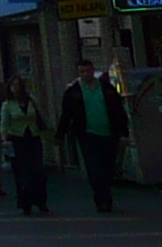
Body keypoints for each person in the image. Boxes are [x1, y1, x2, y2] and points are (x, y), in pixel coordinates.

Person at [55, 60, 130, 215]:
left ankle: (106, 194)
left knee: (108, 167)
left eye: (88, 71)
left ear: (93, 70)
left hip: (109, 133)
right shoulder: (73, 92)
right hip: (87, 134)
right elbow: (66, 114)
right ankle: (102, 201)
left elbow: (118, 110)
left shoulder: (106, 88)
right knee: (95, 169)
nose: (86, 74)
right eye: (82, 72)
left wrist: (124, 132)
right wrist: (60, 135)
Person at [0, 77, 49, 216]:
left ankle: (40, 200)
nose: (16, 88)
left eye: (18, 85)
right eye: (13, 85)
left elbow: (40, 116)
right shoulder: (7, 105)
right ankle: (25, 202)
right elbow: (4, 125)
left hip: (33, 137)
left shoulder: (31, 100)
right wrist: (4, 141)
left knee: (38, 171)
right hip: (17, 139)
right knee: (22, 173)